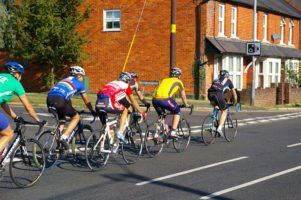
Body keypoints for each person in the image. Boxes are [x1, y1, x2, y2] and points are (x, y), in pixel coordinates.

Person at [0, 61, 44, 162]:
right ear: (15, 73)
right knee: (8, 134)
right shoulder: (16, 83)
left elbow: (2, 103)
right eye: (20, 74)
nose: (21, 77)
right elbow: (28, 106)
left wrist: (15, 117)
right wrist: (38, 120)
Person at [47, 66, 96, 145]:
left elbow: (67, 100)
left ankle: (58, 145)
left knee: (62, 119)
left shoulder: (63, 80)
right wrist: (92, 111)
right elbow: (86, 100)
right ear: (79, 75)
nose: (83, 79)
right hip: (60, 100)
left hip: (49, 99)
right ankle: (64, 137)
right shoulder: (80, 85)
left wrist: (71, 108)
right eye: (82, 77)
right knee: (76, 117)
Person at [96, 72, 147, 143]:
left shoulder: (112, 82)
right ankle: (120, 132)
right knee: (125, 110)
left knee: (104, 127)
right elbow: (133, 101)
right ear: (128, 80)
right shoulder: (126, 86)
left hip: (98, 103)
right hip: (109, 101)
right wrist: (141, 112)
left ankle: (101, 148)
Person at [152, 67, 190, 138]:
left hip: (154, 100)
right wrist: (186, 104)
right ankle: (173, 131)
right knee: (177, 110)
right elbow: (183, 96)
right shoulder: (179, 82)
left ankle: (156, 133)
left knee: (161, 115)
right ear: (179, 75)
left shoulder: (164, 80)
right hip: (165, 99)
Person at [207, 69, 237, 137]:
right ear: (227, 75)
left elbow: (215, 87)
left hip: (210, 94)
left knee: (217, 106)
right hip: (218, 94)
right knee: (224, 111)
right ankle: (219, 128)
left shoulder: (216, 79)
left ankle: (214, 123)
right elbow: (234, 93)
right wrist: (235, 101)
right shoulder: (228, 81)